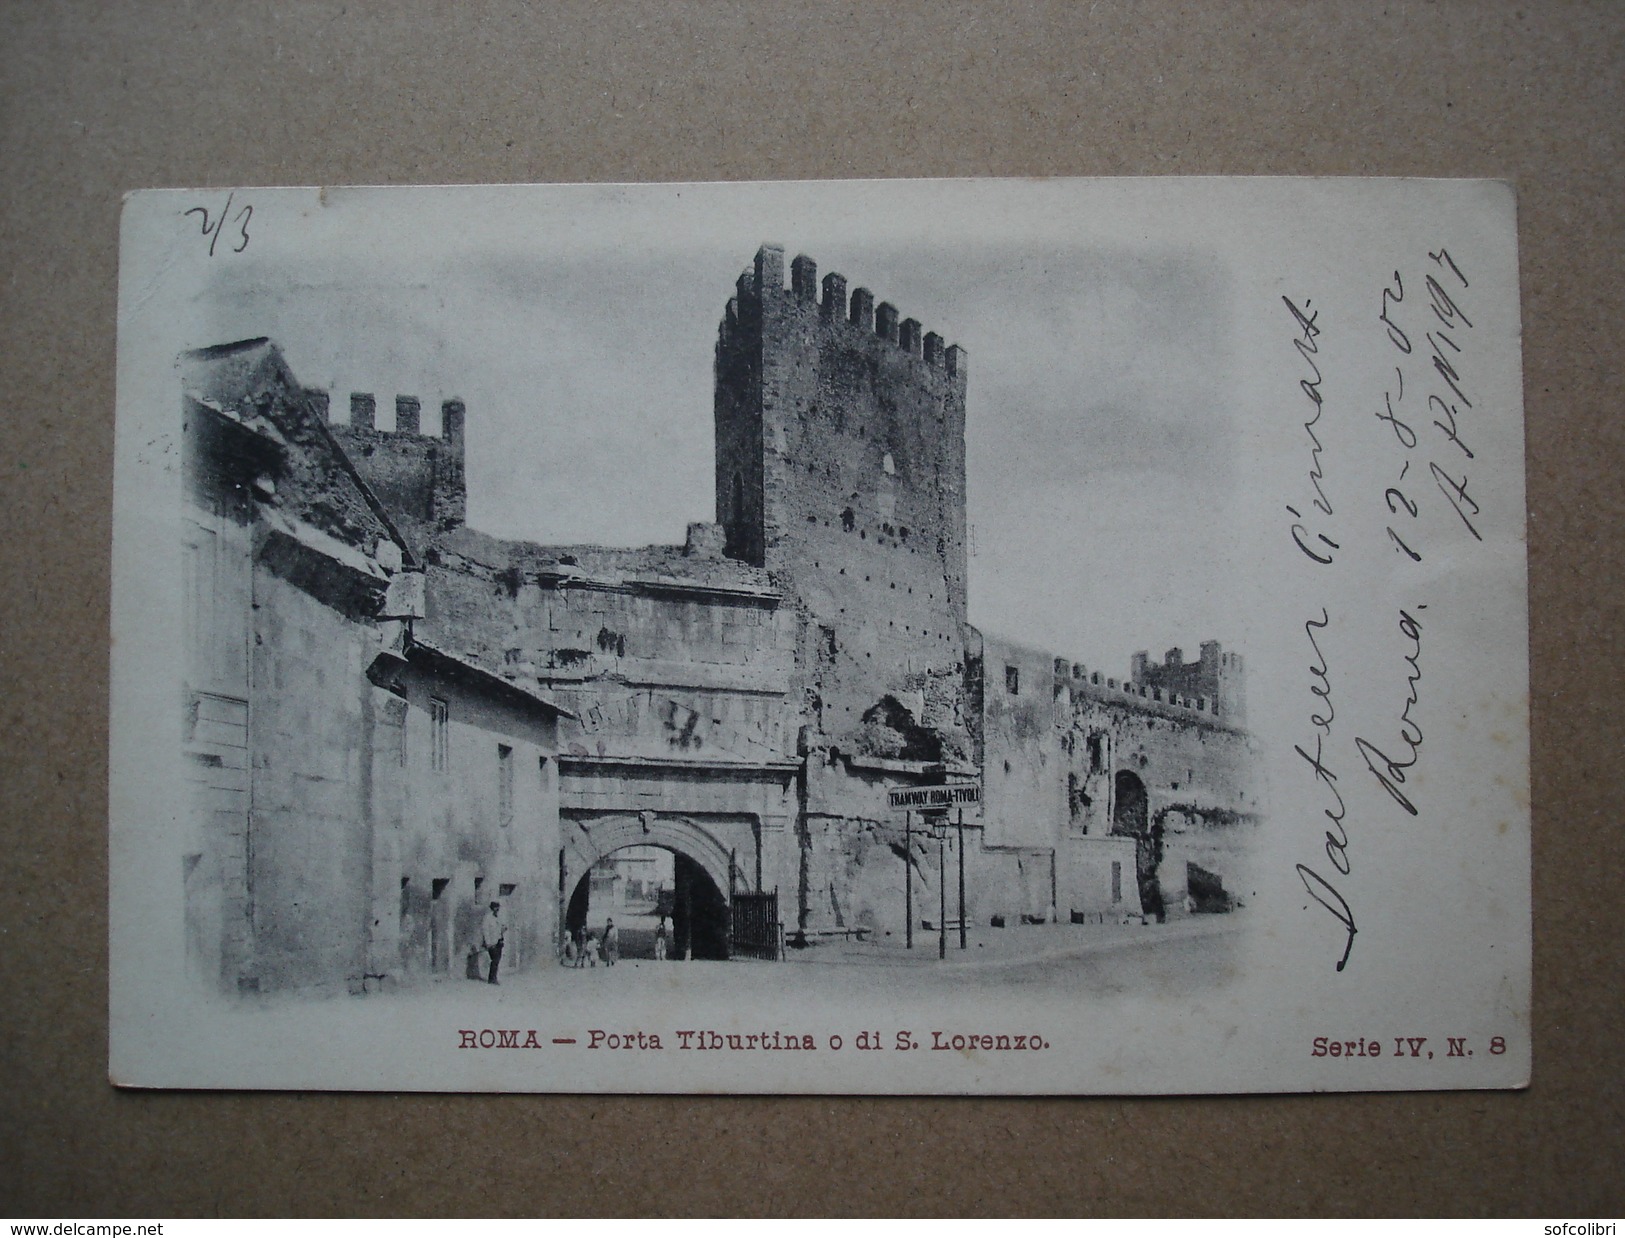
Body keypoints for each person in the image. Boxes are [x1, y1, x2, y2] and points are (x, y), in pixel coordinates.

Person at [480, 901, 506, 985]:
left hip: (499, 940)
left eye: (498, 907)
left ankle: (493, 977)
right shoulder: (487, 918)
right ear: (492, 908)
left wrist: (504, 928)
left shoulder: (498, 917)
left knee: (497, 960)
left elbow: (502, 926)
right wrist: (488, 943)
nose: (497, 909)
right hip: (491, 942)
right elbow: (485, 931)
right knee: (494, 959)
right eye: (495, 907)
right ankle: (491, 978)